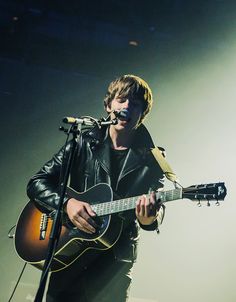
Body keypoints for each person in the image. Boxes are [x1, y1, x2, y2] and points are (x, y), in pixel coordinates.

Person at [27, 74, 166, 302]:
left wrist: (149, 218)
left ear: (143, 113)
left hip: (112, 267)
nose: (127, 106)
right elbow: (37, 183)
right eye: (122, 99)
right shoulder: (83, 142)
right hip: (69, 254)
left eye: (136, 103)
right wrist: (67, 204)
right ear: (108, 105)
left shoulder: (153, 159)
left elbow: (156, 208)